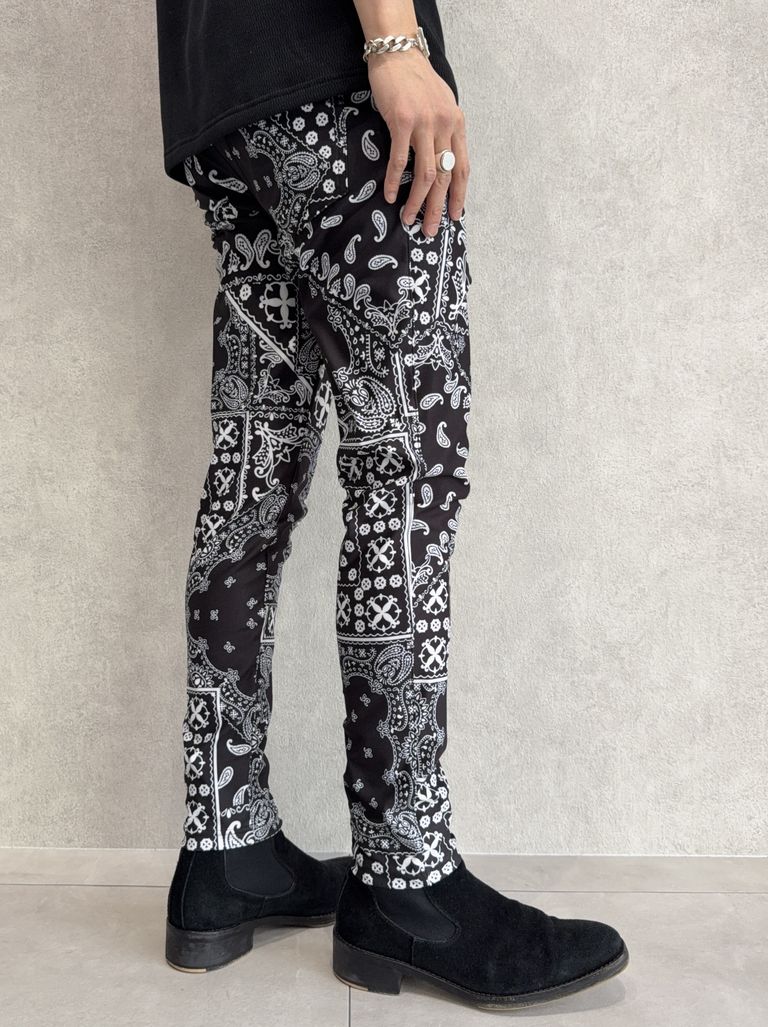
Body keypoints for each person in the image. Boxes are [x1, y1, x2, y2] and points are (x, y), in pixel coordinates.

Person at [154, 0, 628, 1008]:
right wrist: (394, 39)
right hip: (328, 73)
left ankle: (226, 848)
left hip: (220, 99)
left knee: (253, 475)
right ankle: (407, 880)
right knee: (407, 468)